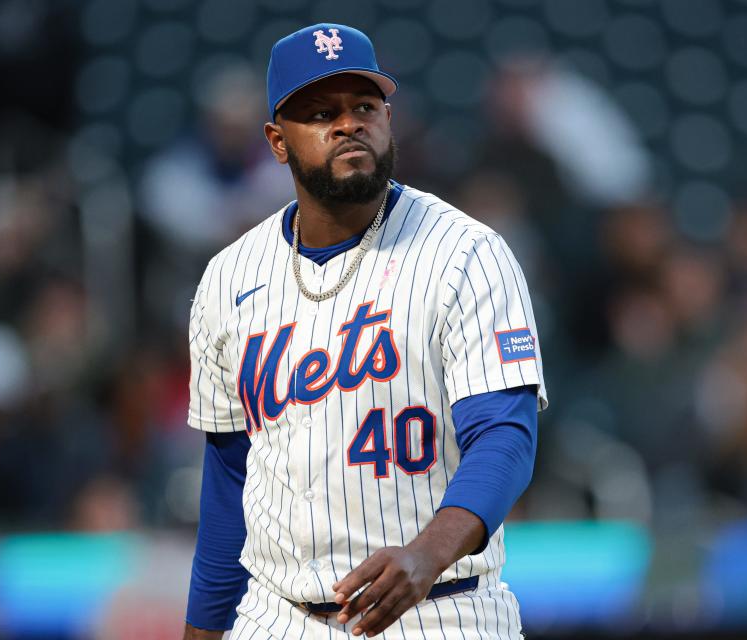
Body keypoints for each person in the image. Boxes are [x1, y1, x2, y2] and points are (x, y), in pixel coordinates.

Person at [182, 23, 547, 640]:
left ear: (388, 119)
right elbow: (230, 485)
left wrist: (429, 553)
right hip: (277, 616)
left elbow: (505, 437)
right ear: (277, 142)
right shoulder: (228, 278)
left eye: (364, 106)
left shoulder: (466, 253)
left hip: (443, 608)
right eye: (322, 113)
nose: (348, 124)